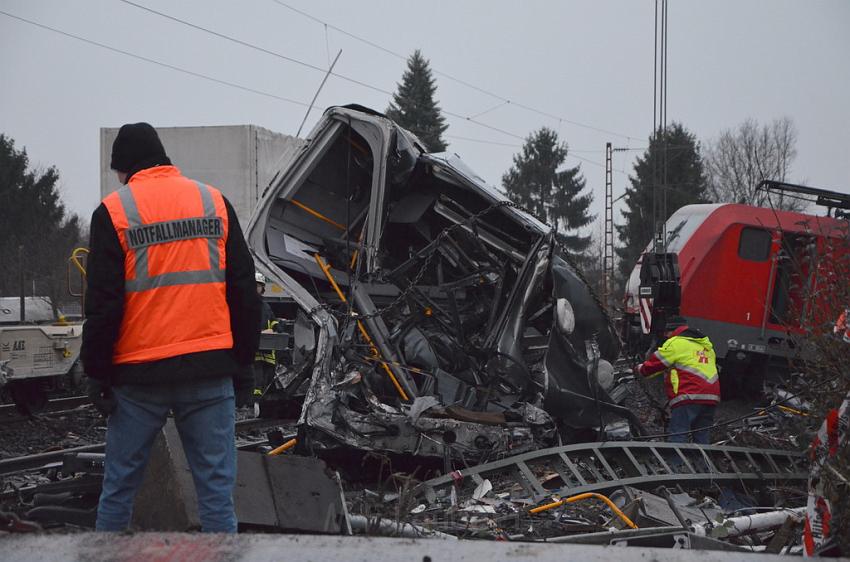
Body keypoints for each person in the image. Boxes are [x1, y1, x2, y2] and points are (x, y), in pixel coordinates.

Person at [81, 122, 261, 533]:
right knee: (216, 494)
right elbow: (244, 294)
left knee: (119, 489)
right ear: (163, 158)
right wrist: (243, 363)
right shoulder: (213, 202)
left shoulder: (114, 211)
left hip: (137, 376)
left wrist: (97, 372)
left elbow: (103, 306)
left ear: (124, 169)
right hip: (209, 370)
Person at [635, 316, 720, 444]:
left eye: (666, 334)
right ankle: (703, 463)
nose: (666, 337)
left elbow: (655, 364)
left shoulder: (675, 343)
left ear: (671, 331)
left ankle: (676, 464)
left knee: (678, 433)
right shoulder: (706, 347)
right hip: (711, 398)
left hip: (688, 395)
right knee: (702, 436)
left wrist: (639, 369)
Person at [244, 272, 283, 417]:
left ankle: (262, 404)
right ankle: (253, 404)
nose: (257, 288)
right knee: (257, 377)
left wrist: (276, 328)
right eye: (255, 286)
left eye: (259, 286)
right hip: (255, 349)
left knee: (268, 375)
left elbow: (272, 320)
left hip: (267, 350)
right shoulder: (246, 304)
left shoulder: (265, 306)